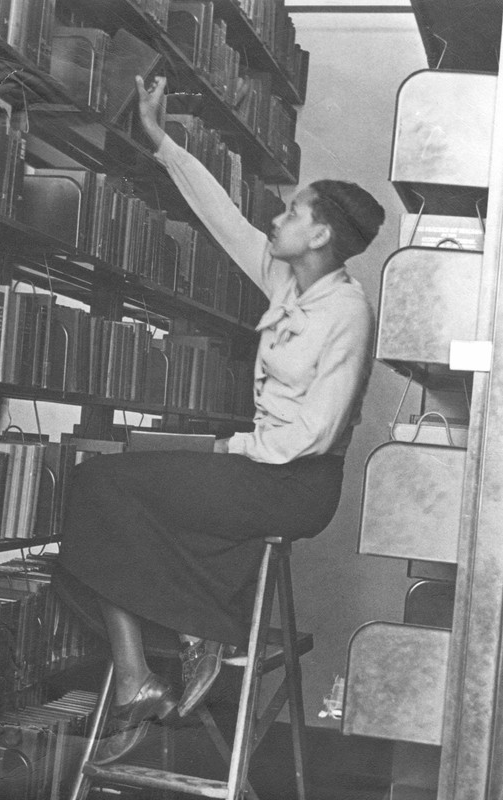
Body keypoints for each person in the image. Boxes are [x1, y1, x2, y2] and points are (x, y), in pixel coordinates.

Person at [54, 75, 386, 765]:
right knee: (99, 487)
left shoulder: (346, 313)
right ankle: (149, 665)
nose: (276, 220)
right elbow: (223, 217)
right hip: (256, 468)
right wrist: (162, 142)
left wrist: (224, 442)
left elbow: (315, 434)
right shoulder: (286, 283)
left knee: (102, 486)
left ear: (320, 232)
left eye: (291, 213)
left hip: (293, 484)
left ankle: (175, 644)